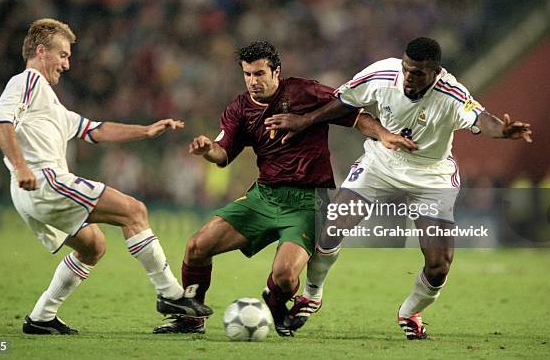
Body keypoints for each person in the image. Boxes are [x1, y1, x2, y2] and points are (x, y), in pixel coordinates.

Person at [265, 37, 532, 339]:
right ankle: (312, 295)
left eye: (418, 72)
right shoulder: (383, 74)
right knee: (331, 227)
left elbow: (482, 118)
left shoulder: (451, 94)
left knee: (439, 265)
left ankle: (410, 312)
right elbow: (345, 102)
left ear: (436, 72)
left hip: (431, 177)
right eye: (407, 68)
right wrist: (305, 121)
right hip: (382, 163)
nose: (409, 76)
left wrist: (503, 131)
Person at [152, 41, 416, 336]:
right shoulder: (240, 109)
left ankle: (276, 307)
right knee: (196, 246)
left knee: (286, 276)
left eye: (259, 73)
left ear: (276, 71)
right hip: (263, 197)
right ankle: (191, 319)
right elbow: (223, 154)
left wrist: (383, 135)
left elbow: (356, 115)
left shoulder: (306, 92)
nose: (253, 81)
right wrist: (207, 149)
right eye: (248, 74)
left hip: (307, 202)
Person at [0, 18, 212, 335]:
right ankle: (170, 294)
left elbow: (97, 130)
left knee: (93, 246)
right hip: (43, 180)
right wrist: (21, 166)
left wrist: (146, 130)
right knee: (134, 211)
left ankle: (41, 317)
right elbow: (0, 121)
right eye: (62, 54)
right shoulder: (27, 82)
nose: (66, 64)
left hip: (30, 192)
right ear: (41, 51)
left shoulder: (50, 104)